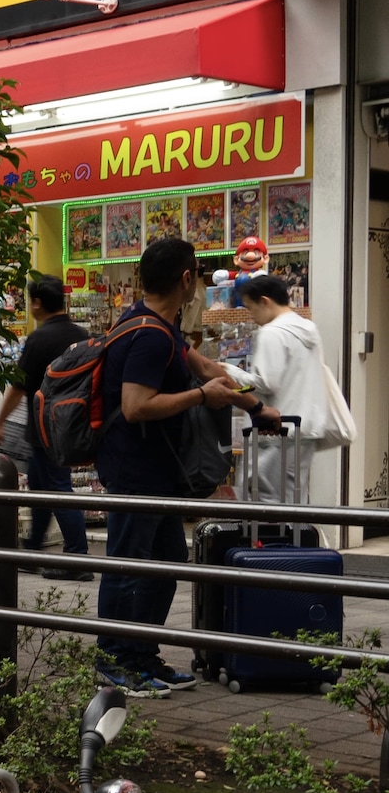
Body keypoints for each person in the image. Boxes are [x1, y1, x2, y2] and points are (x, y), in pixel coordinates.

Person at [94, 237, 280, 696]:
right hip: (134, 469)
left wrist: (254, 406)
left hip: (156, 470)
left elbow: (205, 368)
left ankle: (142, 655)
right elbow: (136, 406)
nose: (197, 279)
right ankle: (114, 660)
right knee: (130, 563)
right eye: (196, 272)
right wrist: (201, 397)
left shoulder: (161, 327)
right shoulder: (149, 336)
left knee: (167, 561)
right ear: (185, 279)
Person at [0, 276, 92, 580]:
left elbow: (19, 386)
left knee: (57, 489)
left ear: (36, 303)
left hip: (45, 427)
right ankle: (33, 549)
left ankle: (77, 557)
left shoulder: (39, 339)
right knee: (41, 487)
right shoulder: (82, 335)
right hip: (72, 425)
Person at [239, 274, 333, 503]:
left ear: (265, 301)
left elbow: (265, 382)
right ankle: (294, 539)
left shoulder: (271, 333)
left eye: (251, 308)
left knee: (265, 499)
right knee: (293, 497)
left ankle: (272, 541)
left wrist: (230, 374)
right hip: (305, 427)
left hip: (275, 429)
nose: (251, 316)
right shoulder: (308, 329)